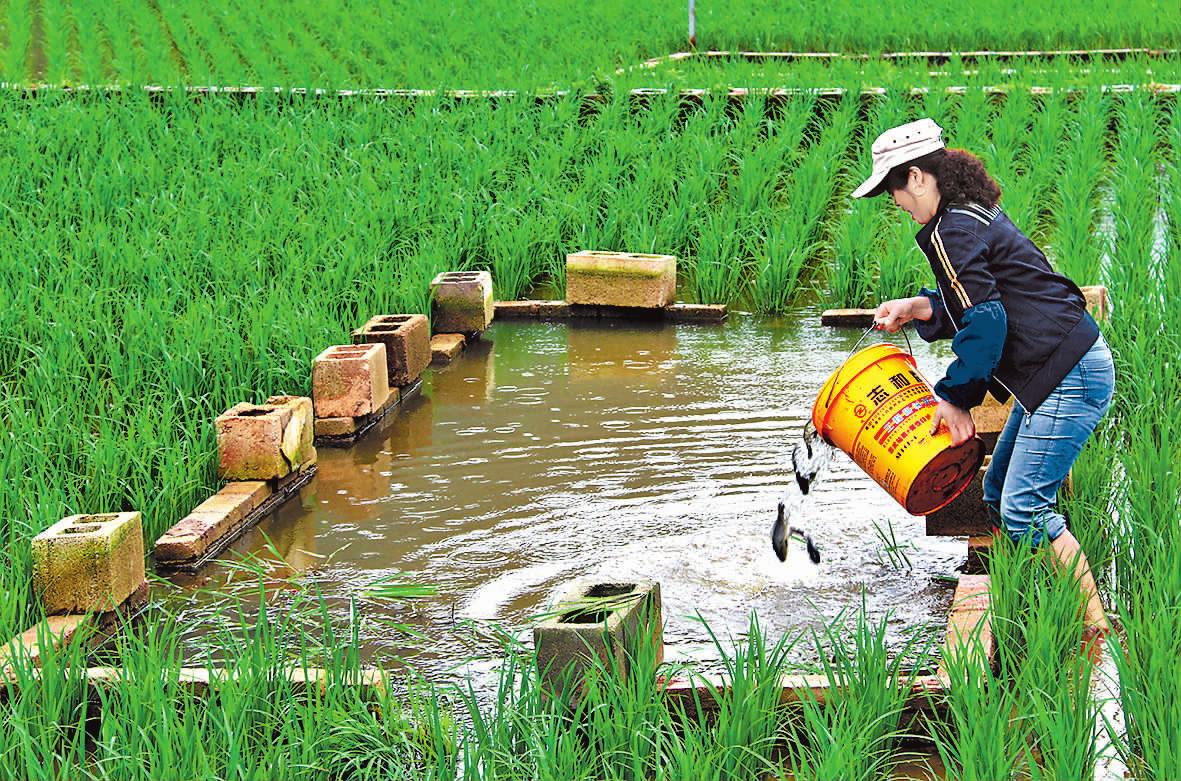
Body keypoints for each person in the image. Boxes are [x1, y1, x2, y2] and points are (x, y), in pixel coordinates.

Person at [851, 118, 1115, 654]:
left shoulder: (953, 228)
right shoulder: (968, 217)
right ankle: (1030, 597)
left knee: (1025, 508)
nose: (896, 203)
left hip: (1067, 374)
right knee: (997, 491)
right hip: (1059, 367)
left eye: (894, 191)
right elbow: (976, 299)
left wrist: (954, 397)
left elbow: (987, 320)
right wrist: (916, 307)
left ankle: (1096, 627)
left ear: (919, 178)